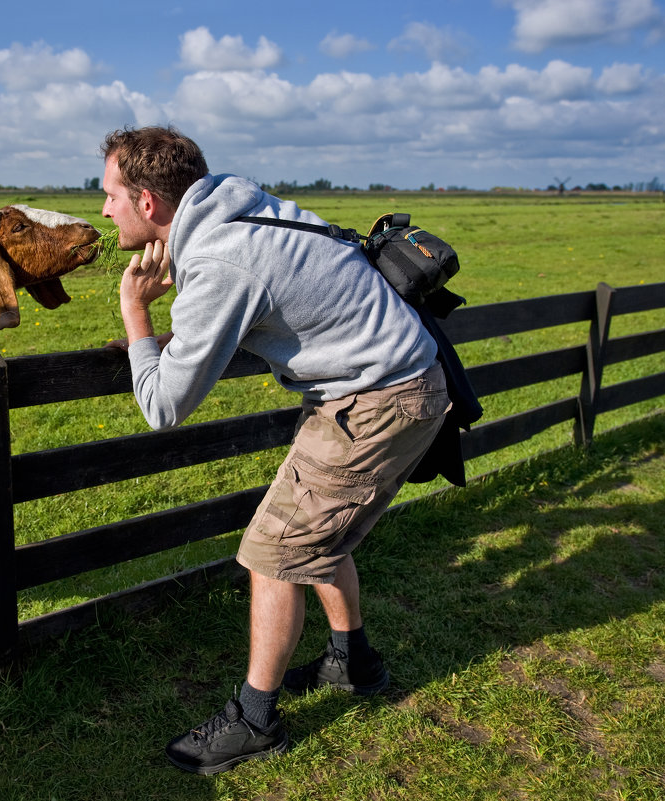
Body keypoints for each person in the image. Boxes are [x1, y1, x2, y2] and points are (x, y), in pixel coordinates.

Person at [100, 125, 450, 775]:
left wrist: (135, 314)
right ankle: (353, 661)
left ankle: (253, 720)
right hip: (390, 382)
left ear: (147, 202)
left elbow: (162, 404)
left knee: (274, 552)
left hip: (374, 398)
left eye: (109, 195)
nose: (103, 210)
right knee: (315, 532)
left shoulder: (218, 259)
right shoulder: (241, 207)